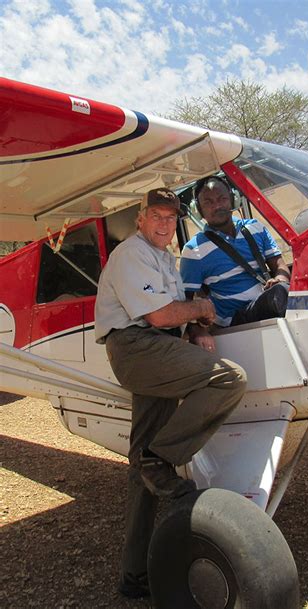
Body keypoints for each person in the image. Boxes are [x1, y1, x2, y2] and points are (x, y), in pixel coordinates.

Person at [94, 187, 247, 599]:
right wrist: (201, 310)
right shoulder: (132, 254)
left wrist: (195, 326)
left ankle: (134, 574)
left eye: (170, 218)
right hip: (137, 349)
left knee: (139, 470)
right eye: (156, 216)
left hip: (156, 348)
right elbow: (161, 315)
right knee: (229, 379)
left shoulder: (163, 258)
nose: (164, 224)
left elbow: (174, 312)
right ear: (140, 219)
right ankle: (160, 460)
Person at [180, 176, 291, 347]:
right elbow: (186, 301)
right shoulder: (193, 250)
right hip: (236, 319)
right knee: (281, 294)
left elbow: (279, 264)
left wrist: (280, 279)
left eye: (222, 199)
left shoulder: (255, 227)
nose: (217, 206)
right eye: (208, 202)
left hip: (268, 302)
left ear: (233, 199)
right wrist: (197, 330)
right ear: (198, 210)